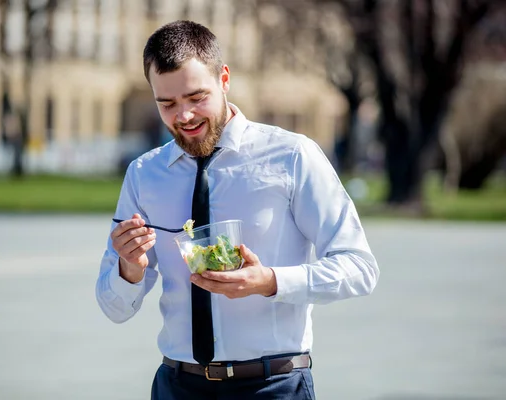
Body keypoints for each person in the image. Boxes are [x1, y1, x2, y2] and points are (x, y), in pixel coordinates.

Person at [96, 20, 380, 400]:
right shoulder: (144, 174)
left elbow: (360, 268)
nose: (184, 116)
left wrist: (270, 281)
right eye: (168, 103)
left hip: (274, 386)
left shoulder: (292, 155)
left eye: (197, 97)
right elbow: (115, 308)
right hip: (176, 386)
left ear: (224, 79)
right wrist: (129, 269)